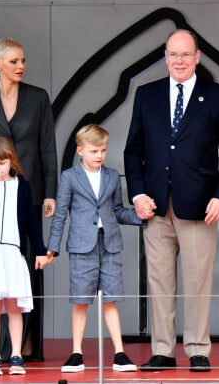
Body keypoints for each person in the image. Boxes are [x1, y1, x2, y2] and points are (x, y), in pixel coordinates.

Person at [124, 29, 219, 372]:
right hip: (155, 205)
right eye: (173, 54)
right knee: (159, 282)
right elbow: (133, 150)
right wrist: (137, 193)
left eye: (185, 54)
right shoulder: (146, 96)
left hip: (201, 205)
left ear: (197, 57)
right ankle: (162, 350)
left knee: (197, 281)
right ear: (165, 56)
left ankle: (197, 350)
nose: (179, 60)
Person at [0, 38, 57, 362]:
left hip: (26, 195)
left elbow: (47, 147)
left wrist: (50, 193)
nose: (22, 66)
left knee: (28, 271)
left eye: (23, 60)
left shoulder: (38, 97)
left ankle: (26, 347)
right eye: (15, 61)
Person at [47, 124, 142, 373]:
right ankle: (76, 353)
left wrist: (143, 217)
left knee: (111, 300)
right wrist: (52, 248)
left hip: (109, 244)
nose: (99, 155)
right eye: (94, 150)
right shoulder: (69, 177)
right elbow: (60, 216)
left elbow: (119, 211)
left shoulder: (111, 176)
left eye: (103, 150)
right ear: (80, 151)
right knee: (80, 301)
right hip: (81, 246)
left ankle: (120, 353)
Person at [0, 137, 53, 376]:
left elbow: (30, 222)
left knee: (15, 306)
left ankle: (16, 355)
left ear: (11, 162)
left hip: (12, 251)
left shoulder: (22, 187)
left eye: (2, 162)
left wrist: (39, 250)